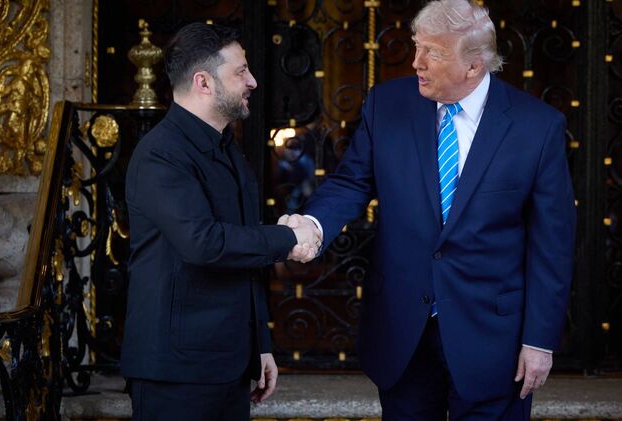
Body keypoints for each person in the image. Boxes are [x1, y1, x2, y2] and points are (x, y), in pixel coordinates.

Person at [284, 1, 576, 419]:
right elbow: (351, 182)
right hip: (403, 334)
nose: (416, 62)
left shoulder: (538, 126)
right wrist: (313, 225)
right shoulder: (386, 104)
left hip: (494, 341)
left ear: (474, 66)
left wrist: (539, 340)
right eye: (416, 45)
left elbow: (553, 243)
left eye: (433, 53)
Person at [121, 22, 320, 421]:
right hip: (175, 373)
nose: (253, 81)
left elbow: (243, 258)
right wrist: (288, 239)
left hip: (228, 364)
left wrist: (260, 345)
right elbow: (204, 243)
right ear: (204, 82)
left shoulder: (227, 148)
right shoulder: (160, 154)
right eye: (241, 71)